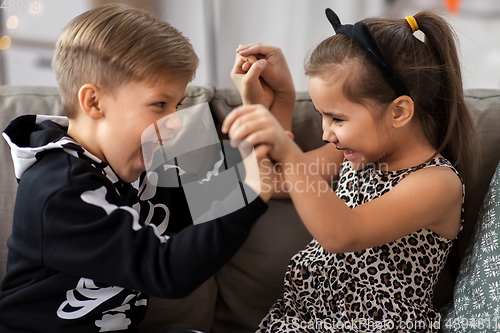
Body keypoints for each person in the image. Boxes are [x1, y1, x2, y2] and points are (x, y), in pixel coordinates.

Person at [0, 4, 276, 332]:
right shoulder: (58, 191)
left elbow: (198, 206)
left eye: (176, 106)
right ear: (94, 102)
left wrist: (256, 116)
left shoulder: (135, 170)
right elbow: (165, 271)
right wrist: (252, 193)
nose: (173, 123)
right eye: (159, 104)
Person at [223, 8, 479, 333]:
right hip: (302, 320)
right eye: (321, 116)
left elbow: (343, 234)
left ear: (399, 112)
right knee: (198, 188)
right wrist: (268, 104)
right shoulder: (351, 154)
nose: (325, 133)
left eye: (337, 119)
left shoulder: (437, 183)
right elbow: (270, 180)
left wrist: (286, 148)